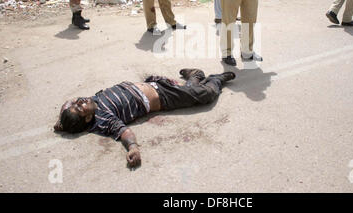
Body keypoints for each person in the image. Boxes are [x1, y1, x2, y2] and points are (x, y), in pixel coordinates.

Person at [53, 69, 236, 168]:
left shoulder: (90, 102)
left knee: (191, 92)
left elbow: (68, 102)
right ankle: (214, 79)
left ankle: (195, 77)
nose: (79, 101)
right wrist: (132, 147)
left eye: (76, 104)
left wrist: (63, 120)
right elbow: (124, 131)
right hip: (163, 96)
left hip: (151, 84)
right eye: (79, 107)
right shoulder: (103, 119)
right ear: (87, 119)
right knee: (206, 95)